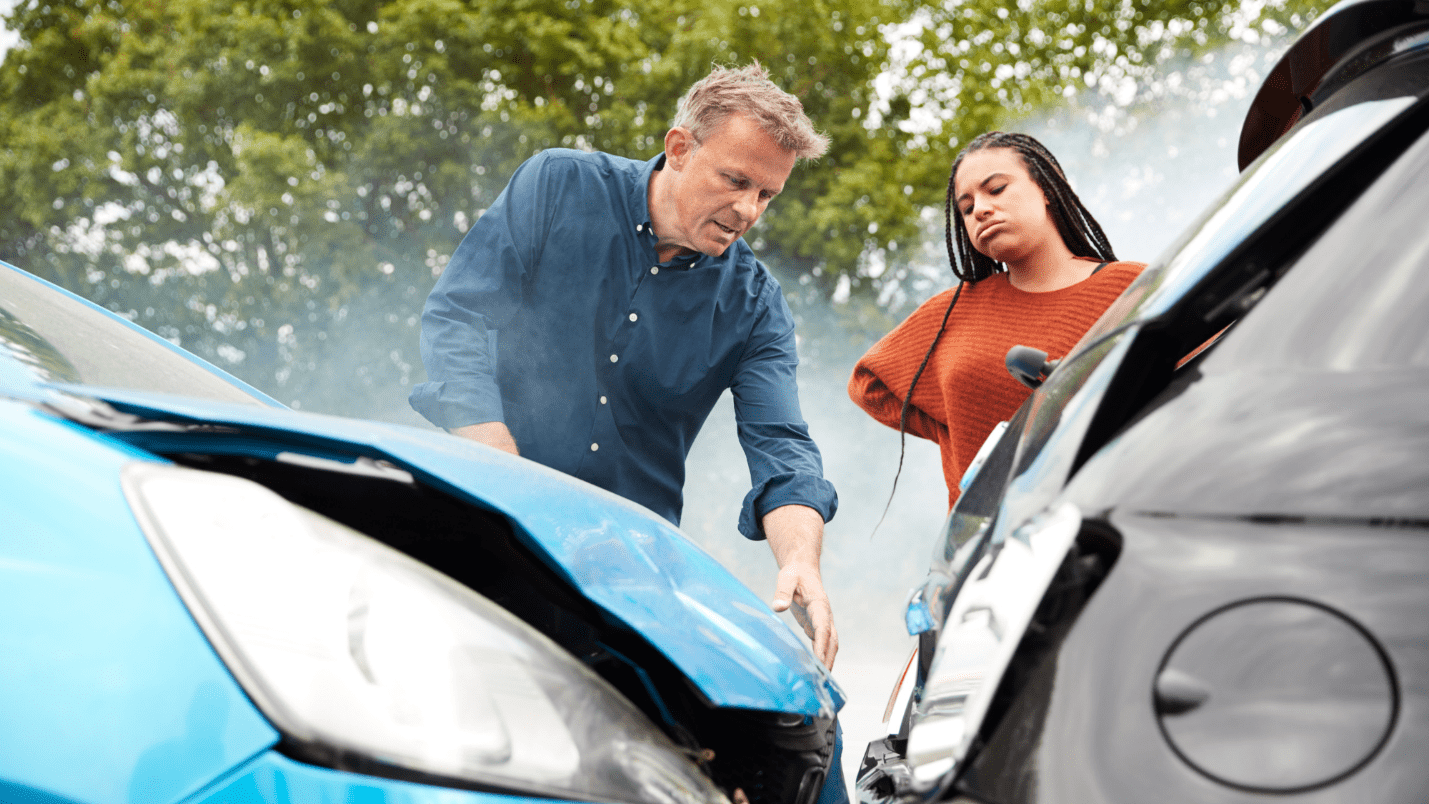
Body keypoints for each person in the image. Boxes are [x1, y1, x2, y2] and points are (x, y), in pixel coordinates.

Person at [409, 63, 840, 670]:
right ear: (680, 148)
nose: (748, 210)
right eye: (736, 180)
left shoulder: (755, 305)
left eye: (766, 194)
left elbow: (783, 447)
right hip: (480, 527)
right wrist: (503, 477)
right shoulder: (558, 184)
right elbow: (458, 316)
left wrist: (799, 561)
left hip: (619, 584)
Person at [849, 132, 1145, 509]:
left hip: (1111, 521)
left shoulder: (1132, 288)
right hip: (984, 548)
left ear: (1048, 187)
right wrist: (959, 429)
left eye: (997, 189)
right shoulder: (954, 310)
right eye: (967, 207)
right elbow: (868, 383)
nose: (981, 211)